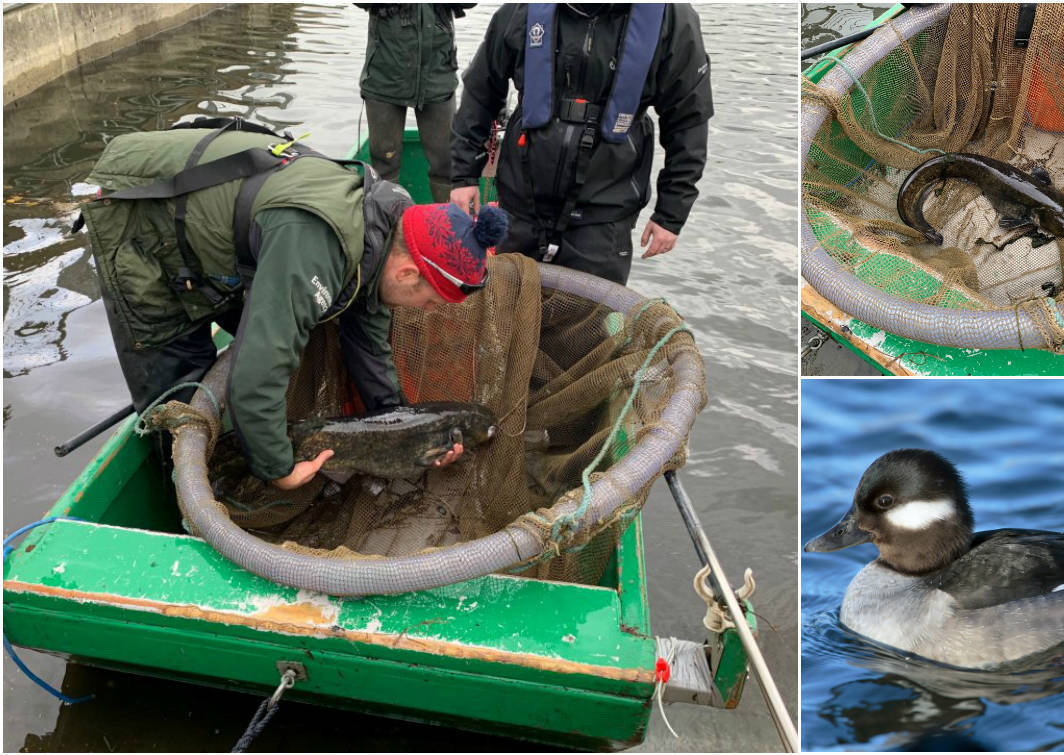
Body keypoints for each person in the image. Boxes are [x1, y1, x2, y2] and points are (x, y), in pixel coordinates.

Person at [78, 119, 508, 490]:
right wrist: (278, 469)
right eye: (431, 302)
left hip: (222, 235)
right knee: (181, 396)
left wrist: (398, 428)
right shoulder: (316, 243)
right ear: (408, 273)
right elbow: (257, 370)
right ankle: (183, 498)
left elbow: (370, 343)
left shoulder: (389, 227)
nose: (427, 312)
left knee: (274, 337)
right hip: (137, 214)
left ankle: (238, 452)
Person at [449, 3, 713, 285]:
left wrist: (670, 215)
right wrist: (463, 176)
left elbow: (688, 121)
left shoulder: (671, 19)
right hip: (521, 204)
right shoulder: (521, 11)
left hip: (604, 211)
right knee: (508, 311)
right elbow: (480, 92)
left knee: (592, 321)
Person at [356, 3, 475, 202]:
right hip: (384, 78)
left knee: (447, 163)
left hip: (438, 77)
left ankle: (447, 227)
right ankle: (386, 228)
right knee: (384, 165)